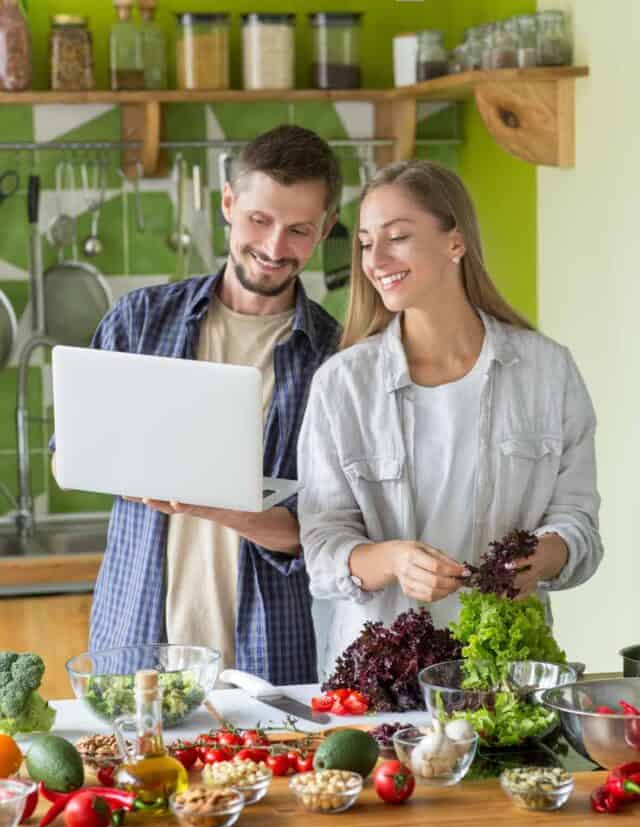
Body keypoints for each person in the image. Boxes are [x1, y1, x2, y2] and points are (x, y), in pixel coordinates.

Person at [53, 125, 342, 685]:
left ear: (325, 229)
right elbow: (66, 459)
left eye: (299, 230)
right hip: (135, 652)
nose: (275, 247)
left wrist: (217, 506)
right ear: (229, 204)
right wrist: (129, 469)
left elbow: (324, 534)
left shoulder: (335, 358)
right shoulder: (140, 320)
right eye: (260, 220)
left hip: (266, 660)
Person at [297, 159, 603, 678]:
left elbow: (579, 525)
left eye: (397, 237)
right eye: (367, 243)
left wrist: (544, 557)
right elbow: (324, 550)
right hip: (378, 685)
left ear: (455, 243)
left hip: (507, 677)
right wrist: (394, 561)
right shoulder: (342, 383)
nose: (377, 260)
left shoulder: (548, 371)